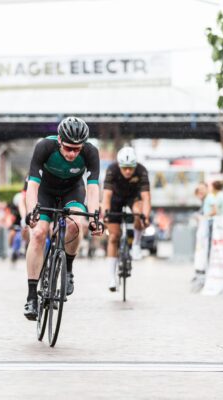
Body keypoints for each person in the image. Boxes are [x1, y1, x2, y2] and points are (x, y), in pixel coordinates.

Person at [23, 116, 104, 320]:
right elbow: (32, 185)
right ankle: (32, 296)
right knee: (39, 233)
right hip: (45, 191)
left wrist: (94, 218)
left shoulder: (90, 152)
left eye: (77, 149)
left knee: (75, 224)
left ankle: (68, 269)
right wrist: (31, 212)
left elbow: (93, 188)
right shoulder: (44, 147)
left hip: (72, 191)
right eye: (68, 148)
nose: (72, 153)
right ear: (59, 140)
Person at [101, 146, 151, 291]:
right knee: (113, 237)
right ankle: (112, 278)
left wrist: (146, 217)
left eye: (131, 168)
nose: (128, 171)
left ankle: (136, 244)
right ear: (119, 165)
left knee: (139, 213)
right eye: (124, 168)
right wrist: (105, 214)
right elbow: (106, 196)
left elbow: (146, 198)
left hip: (133, 197)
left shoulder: (141, 171)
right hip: (115, 199)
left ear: (135, 165)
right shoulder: (112, 170)